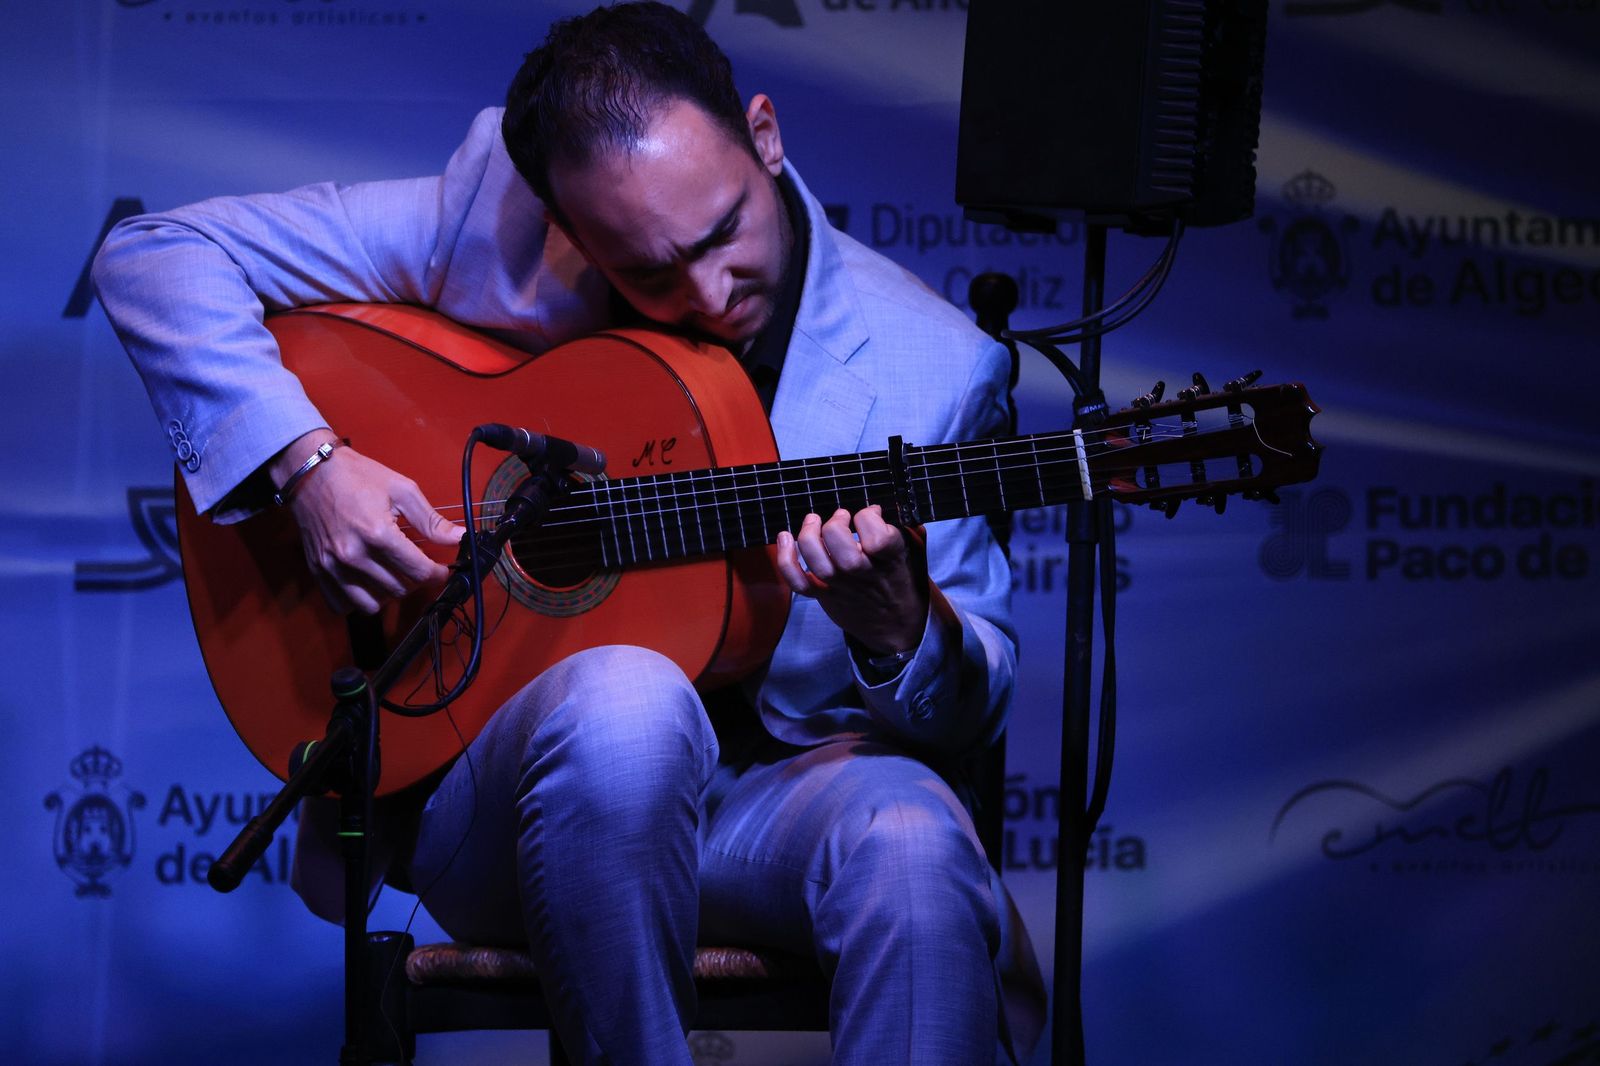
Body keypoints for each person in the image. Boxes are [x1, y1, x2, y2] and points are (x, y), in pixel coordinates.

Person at [93, 3, 1043, 1062]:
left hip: (768, 809)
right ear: (571, 230)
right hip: (507, 801)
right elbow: (154, 254)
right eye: (645, 272)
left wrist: (898, 627)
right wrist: (310, 464)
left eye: (723, 230)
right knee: (630, 699)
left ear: (765, 137)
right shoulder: (492, 217)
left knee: (913, 839)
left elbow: (975, 698)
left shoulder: (935, 366)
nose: (705, 293)